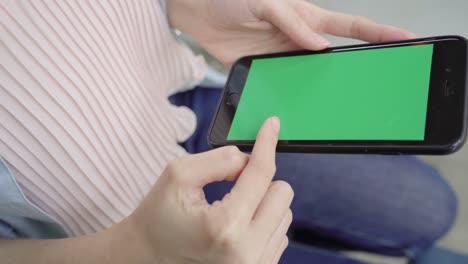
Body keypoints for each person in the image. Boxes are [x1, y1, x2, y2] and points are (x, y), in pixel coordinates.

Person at [0, 0, 456, 263]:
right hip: (122, 231)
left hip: (193, 103)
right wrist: (133, 247)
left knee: (433, 209)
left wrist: (185, 5)